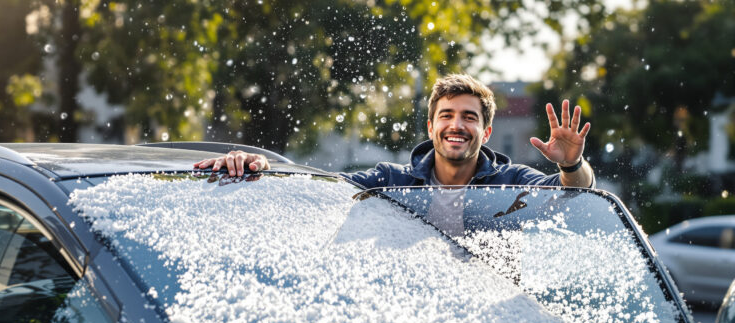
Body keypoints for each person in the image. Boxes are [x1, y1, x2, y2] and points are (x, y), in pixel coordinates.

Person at [194, 74, 594, 192]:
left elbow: (575, 194)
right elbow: (320, 189)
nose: (457, 125)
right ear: (430, 126)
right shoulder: (391, 181)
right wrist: (261, 166)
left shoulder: (512, 185)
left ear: (486, 131)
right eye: (447, 115)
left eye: (469, 118)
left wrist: (573, 163)